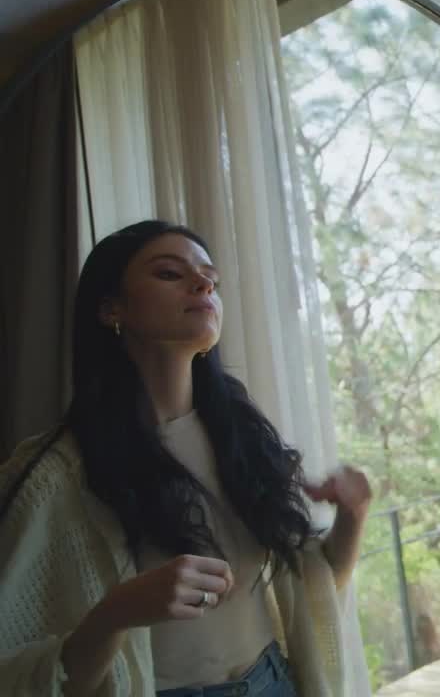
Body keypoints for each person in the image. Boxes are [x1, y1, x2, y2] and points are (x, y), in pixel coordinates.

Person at [0, 221, 372, 696]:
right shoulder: (55, 477)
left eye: (209, 279)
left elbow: (314, 586)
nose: (203, 285)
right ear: (112, 307)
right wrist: (116, 613)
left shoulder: (240, 436)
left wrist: (354, 516)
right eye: (170, 273)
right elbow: (25, 679)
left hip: (275, 682)